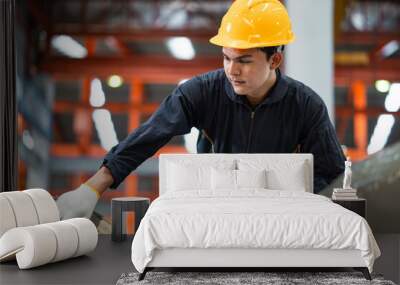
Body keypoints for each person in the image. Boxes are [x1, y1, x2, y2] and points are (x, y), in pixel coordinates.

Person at [56, 0, 346, 220]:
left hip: (277, 213)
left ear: (275, 60)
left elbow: (330, 169)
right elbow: (150, 136)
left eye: (244, 60)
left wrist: (291, 201)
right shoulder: (201, 93)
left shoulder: (306, 106)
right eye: (226, 58)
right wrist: (92, 188)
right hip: (213, 207)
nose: (232, 70)